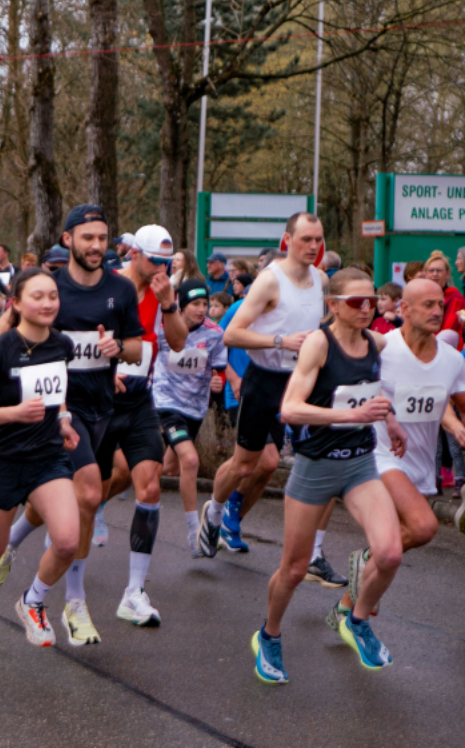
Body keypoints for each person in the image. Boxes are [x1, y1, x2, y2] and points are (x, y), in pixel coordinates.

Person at [0, 204, 143, 646]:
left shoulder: (121, 289)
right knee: (90, 495)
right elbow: (14, 336)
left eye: (102, 237)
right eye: (87, 237)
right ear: (68, 239)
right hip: (57, 409)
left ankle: (12, 544)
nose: (96, 246)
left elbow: (135, 348)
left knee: (51, 504)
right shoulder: (50, 289)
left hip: (100, 407)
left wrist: (119, 348)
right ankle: (72, 603)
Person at [253, 268, 405, 684]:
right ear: (333, 305)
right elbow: (291, 409)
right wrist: (352, 416)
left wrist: (389, 420)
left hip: (359, 464)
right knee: (295, 570)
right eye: (356, 302)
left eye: (371, 301)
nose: (367, 308)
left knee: (390, 553)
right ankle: (269, 634)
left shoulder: (376, 341)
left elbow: (373, 388)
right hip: (315, 468)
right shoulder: (319, 344)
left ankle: (355, 620)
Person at [326, 278, 465, 627]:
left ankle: (350, 598)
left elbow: (453, 401)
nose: (437, 311)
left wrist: (455, 425)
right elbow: (349, 389)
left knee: (399, 543)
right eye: (428, 305)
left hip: (418, 464)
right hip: (376, 453)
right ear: (404, 309)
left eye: (441, 306)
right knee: (422, 526)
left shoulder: (451, 359)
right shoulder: (381, 348)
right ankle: (367, 566)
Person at [0, 268, 80, 658]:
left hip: (47, 457)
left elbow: (57, 392)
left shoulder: (62, 345)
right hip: (5, 459)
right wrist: (13, 413)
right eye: (37, 297)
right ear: (17, 302)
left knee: (67, 541)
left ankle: (33, 600)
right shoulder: (1, 350)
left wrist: (62, 418)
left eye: (52, 297)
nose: (47, 304)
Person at [198, 213, 329, 559]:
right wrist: (280, 341)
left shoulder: (321, 279)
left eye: (318, 239)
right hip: (264, 380)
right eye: (305, 239)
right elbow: (231, 333)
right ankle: (213, 511)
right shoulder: (270, 281)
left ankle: (310, 553)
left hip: (301, 380)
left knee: (301, 462)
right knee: (245, 464)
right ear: (287, 240)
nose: (313, 246)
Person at [93, 224, 188, 626]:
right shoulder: (106, 286)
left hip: (138, 402)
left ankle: (134, 592)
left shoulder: (162, 291)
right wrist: (103, 370)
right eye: (154, 261)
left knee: (148, 484)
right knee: (78, 496)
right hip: (96, 400)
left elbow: (179, 343)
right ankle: (14, 542)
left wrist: (169, 304)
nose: (160, 270)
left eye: (167, 263)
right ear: (134, 254)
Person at [152, 280, 227, 555]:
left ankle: (127, 482)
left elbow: (219, 369)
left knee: (168, 468)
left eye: (205, 304)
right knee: (191, 459)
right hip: (166, 402)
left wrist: (219, 382)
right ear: (181, 304)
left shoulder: (214, 333)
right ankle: (194, 533)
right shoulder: (162, 326)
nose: (202, 309)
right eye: (195, 303)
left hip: (195, 408)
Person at [422, 251, 463, 330]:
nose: (435, 274)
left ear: (447, 274)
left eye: (439, 270)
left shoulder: (455, 297)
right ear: (425, 274)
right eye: (431, 270)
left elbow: (449, 329)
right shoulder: (420, 295)